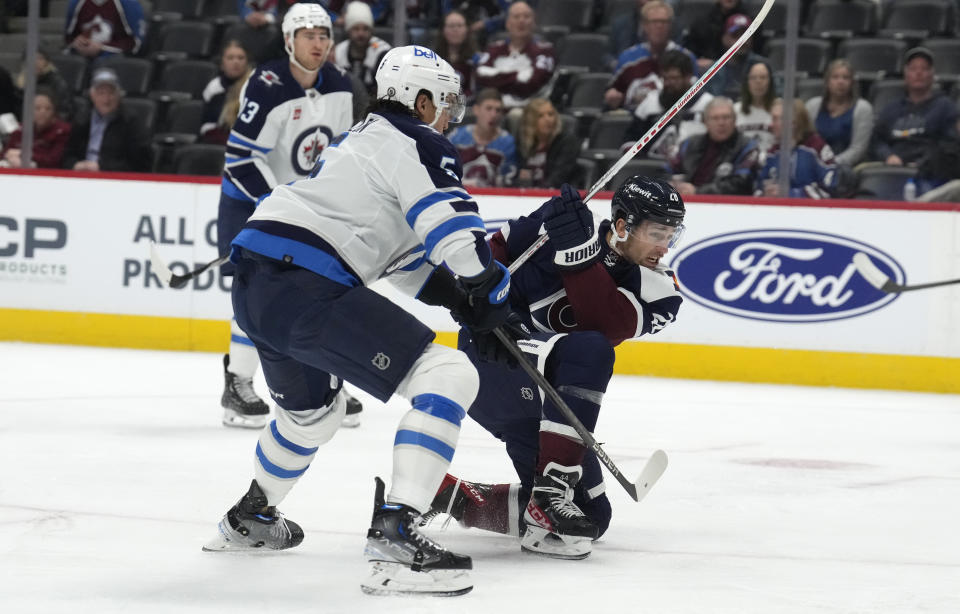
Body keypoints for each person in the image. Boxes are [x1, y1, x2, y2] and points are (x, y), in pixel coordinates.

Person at [203, 44, 523, 598]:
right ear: (419, 101)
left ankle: (251, 517)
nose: (450, 116)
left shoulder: (360, 142)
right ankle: (397, 535)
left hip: (256, 283)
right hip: (306, 284)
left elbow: (395, 258)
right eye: (445, 103)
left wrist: (457, 296)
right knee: (449, 375)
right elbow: (454, 235)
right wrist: (489, 290)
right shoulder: (419, 142)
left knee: (313, 418)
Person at [419, 176, 686, 559]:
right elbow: (477, 265)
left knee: (592, 517)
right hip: (492, 364)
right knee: (589, 353)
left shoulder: (661, 289)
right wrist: (491, 301)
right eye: (657, 233)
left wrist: (577, 254)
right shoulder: (555, 230)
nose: (664, 247)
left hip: (544, 404)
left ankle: (453, 497)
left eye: (671, 235)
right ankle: (549, 495)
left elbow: (605, 324)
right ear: (624, 225)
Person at [217, 4, 357, 429]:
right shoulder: (267, 84)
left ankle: (328, 380)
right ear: (288, 40)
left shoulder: (340, 85)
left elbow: (343, 152)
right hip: (250, 200)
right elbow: (240, 160)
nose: (318, 42)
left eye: (324, 34)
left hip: (303, 205)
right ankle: (238, 384)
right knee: (255, 291)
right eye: (308, 34)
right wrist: (277, 202)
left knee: (323, 288)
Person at [870, 47, 958, 169]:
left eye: (924, 69)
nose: (919, 73)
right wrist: (888, 156)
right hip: (894, 168)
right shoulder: (891, 109)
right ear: (905, 75)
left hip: (930, 172)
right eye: (913, 69)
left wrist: (925, 161)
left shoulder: (945, 107)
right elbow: (876, 141)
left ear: (932, 75)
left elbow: (949, 144)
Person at [604, 0, 697, 112]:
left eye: (663, 22)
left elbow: (695, 99)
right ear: (644, 25)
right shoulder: (628, 59)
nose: (659, 26)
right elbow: (613, 95)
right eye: (654, 22)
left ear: (671, 26)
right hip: (635, 120)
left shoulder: (686, 58)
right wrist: (613, 99)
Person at [623, 48, 713, 160]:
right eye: (666, 78)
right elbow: (631, 138)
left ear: (688, 77)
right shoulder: (650, 102)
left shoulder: (707, 104)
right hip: (652, 168)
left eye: (675, 78)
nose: (669, 83)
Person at [61, 67, 152, 172]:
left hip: (114, 179)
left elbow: (140, 163)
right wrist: (75, 165)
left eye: (111, 93)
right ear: (92, 96)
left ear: (119, 95)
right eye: (101, 93)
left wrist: (101, 167)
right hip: (81, 176)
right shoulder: (81, 119)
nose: (106, 99)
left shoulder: (131, 122)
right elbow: (67, 155)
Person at [668, 96, 760, 196]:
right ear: (706, 122)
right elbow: (666, 170)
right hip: (687, 202)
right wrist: (672, 185)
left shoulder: (748, 147)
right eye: (715, 118)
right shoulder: (689, 143)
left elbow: (742, 183)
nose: (721, 123)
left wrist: (698, 191)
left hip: (727, 206)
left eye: (726, 117)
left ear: (735, 120)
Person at [474, 1, 555, 111]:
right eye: (516, 17)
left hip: (529, 110)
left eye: (526, 17)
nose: (521, 21)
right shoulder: (494, 49)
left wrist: (496, 75)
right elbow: (480, 77)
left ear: (534, 22)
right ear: (507, 23)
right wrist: (519, 75)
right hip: (495, 108)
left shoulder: (544, 51)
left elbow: (532, 83)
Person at [755, 98, 839, 199]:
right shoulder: (772, 154)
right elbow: (758, 189)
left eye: (776, 119)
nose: (771, 124)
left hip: (810, 212)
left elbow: (829, 188)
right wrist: (765, 194)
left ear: (794, 122)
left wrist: (791, 194)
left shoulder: (817, 147)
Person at [804, 58, 874, 168]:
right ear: (827, 82)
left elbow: (858, 149)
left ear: (852, 83)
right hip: (813, 165)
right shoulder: (812, 105)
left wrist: (831, 163)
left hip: (845, 168)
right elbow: (804, 140)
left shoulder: (862, 108)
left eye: (845, 78)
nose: (840, 82)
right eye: (835, 77)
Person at [447, 88, 517, 187]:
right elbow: (445, 171)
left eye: (498, 110)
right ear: (476, 110)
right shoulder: (456, 137)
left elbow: (508, 181)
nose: (493, 115)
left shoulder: (507, 142)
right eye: (488, 109)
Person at [514, 98, 581, 189]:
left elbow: (558, 178)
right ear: (530, 121)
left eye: (550, 114)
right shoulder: (524, 143)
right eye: (540, 116)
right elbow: (516, 176)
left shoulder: (567, 142)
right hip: (526, 197)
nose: (548, 119)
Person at [700, 13, 767, 101]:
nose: (742, 40)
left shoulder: (764, 66)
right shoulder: (713, 71)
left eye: (746, 35)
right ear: (724, 39)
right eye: (735, 35)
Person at [200, 39, 254, 145]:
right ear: (222, 64)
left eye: (241, 58)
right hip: (221, 143)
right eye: (230, 58)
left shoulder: (256, 86)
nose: (236, 62)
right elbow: (207, 126)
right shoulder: (214, 88)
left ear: (247, 62)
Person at [0, 89, 71, 169]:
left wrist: (24, 155)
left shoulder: (62, 131)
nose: (42, 112)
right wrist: (10, 157)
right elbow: (6, 153)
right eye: (37, 108)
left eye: (48, 108)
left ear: (54, 111)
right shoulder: (21, 130)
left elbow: (54, 160)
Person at [332, 1, 392, 96]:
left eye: (365, 29)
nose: (361, 33)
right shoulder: (339, 51)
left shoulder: (383, 52)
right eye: (356, 29)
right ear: (348, 31)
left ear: (371, 31)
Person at [65, 0, 145, 59]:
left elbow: (136, 44)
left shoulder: (128, 4)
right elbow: (69, 38)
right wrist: (78, 43)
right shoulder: (77, 3)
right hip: (81, 57)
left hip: (115, 59)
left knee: (104, 75)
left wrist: (102, 48)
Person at [684, 0, 747, 75]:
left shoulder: (751, 21)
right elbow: (688, 52)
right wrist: (696, 61)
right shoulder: (701, 24)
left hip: (742, 70)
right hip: (707, 73)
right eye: (735, 35)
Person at [15, 45, 74, 120]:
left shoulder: (56, 82)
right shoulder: (22, 83)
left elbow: (64, 111)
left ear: (47, 62)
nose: (35, 62)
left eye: (40, 58)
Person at [434, 10, 479, 100]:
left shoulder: (476, 59)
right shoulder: (433, 59)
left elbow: (475, 91)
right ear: (443, 30)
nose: (455, 29)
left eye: (459, 26)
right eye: (451, 26)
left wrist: (457, 99)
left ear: (467, 29)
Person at [735, 59, 775, 153]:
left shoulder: (780, 109)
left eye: (763, 77)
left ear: (770, 82)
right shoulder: (735, 110)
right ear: (747, 82)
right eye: (753, 78)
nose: (758, 81)